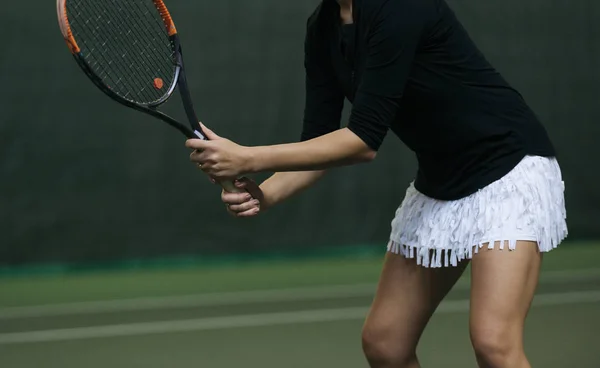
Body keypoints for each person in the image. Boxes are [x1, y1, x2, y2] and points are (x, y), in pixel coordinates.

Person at [185, 0, 568, 367]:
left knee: (494, 343)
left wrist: (246, 157)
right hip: (441, 184)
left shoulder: (399, 5)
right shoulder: (322, 29)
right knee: (386, 343)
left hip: (509, 167)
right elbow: (319, 146)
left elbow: (363, 141)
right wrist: (264, 194)